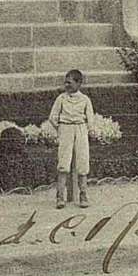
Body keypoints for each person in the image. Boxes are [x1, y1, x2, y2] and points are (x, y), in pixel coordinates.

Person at [49, 68, 95, 209]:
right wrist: (61, 129)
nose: (67, 85)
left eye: (70, 82)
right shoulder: (61, 99)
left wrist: (89, 129)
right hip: (66, 129)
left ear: (79, 83)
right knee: (63, 163)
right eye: (65, 82)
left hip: (80, 129)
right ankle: (60, 196)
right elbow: (52, 117)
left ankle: (83, 195)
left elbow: (90, 118)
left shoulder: (85, 99)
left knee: (82, 162)